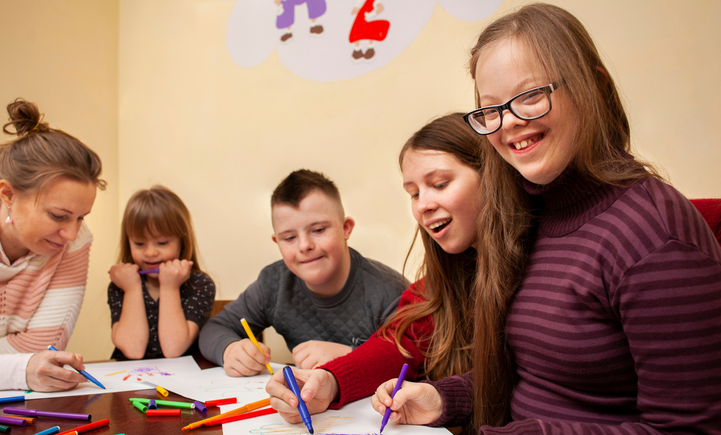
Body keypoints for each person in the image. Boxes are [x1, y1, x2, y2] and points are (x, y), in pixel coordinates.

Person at [371, 4, 721, 434]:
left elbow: (692, 429)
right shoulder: (532, 219)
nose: (511, 123)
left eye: (532, 95)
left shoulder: (654, 234)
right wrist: (446, 397)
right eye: (492, 109)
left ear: (595, 84)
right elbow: (539, 379)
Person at [266, 113, 485, 422]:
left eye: (439, 184)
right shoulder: (440, 283)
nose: (423, 205)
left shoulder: (540, 268)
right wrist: (330, 381)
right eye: (414, 193)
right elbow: (400, 343)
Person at [0, 98, 105, 394]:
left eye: (81, 217)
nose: (71, 233)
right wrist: (20, 368)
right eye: (58, 216)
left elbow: (42, 347)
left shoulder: (75, 242)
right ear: (8, 194)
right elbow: (30, 360)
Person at [199, 169, 405, 376]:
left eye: (318, 230)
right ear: (277, 241)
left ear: (346, 228)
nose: (305, 246)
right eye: (289, 238)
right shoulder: (273, 283)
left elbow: (420, 362)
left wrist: (352, 357)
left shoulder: (392, 292)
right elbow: (214, 329)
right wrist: (229, 350)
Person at [108, 186, 215, 360]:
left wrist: (170, 287)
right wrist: (132, 288)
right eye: (139, 243)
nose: (150, 252)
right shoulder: (122, 284)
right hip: (132, 380)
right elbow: (133, 350)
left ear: (182, 241)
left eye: (162, 242)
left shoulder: (199, 284)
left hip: (185, 381)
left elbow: (173, 349)